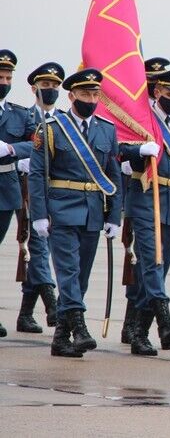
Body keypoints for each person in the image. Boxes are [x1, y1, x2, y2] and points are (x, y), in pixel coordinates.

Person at [29, 68, 122, 358]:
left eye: (95, 94)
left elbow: (113, 176)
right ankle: (79, 328)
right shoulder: (52, 128)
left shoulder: (107, 129)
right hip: (61, 209)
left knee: (80, 277)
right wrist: (39, 214)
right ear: (72, 96)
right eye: (85, 94)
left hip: (93, 212)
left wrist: (114, 216)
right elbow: (36, 174)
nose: (91, 99)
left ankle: (60, 338)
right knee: (68, 272)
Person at [119, 68, 170, 356]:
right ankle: (164, 318)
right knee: (151, 264)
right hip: (143, 197)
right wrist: (136, 153)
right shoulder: (140, 119)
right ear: (157, 92)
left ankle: (141, 332)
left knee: (158, 269)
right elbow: (116, 149)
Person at [13, 63, 64, 333]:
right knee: (38, 248)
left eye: (55, 86)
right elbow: (20, 143)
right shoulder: (24, 117)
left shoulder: (64, 120)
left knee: (40, 249)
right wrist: (23, 156)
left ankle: (24, 314)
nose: (51, 90)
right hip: (27, 192)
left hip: (57, 192)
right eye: (46, 86)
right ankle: (52, 305)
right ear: (34, 88)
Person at [0, 49, 35, 338]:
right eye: (0, 76)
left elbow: (35, 142)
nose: (5, 81)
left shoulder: (19, 114)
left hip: (5, 188)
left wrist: (12, 149)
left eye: (8, 77)